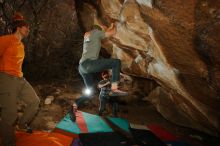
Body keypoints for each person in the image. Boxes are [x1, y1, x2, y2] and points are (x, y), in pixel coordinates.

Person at [0, 12, 40, 146]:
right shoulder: (5, 39)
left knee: (34, 101)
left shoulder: (21, 45)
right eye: (26, 27)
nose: (28, 29)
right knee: (10, 115)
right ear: (18, 28)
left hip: (20, 78)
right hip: (6, 78)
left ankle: (22, 125)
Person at [76, 22, 128, 107]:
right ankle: (114, 88)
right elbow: (112, 32)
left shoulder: (88, 36)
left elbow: (105, 32)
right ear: (97, 30)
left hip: (81, 68)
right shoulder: (96, 32)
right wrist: (114, 25)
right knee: (116, 62)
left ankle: (75, 105)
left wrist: (108, 27)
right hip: (88, 64)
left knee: (90, 91)